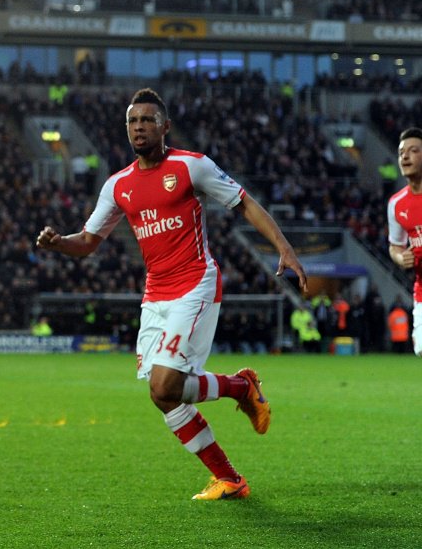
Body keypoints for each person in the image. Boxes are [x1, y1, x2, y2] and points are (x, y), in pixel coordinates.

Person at [36, 88, 307, 501]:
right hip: (155, 296)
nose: (139, 127)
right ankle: (232, 453)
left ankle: (238, 406)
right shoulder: (117, 185)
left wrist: (283, 247)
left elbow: (244, 204)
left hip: (195, 284)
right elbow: (88, 240)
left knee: (166, 385)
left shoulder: (191, 167)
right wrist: (59, 243)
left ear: (165, 127)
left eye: (148, 120)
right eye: (133, 121)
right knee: (162, 394)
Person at [386, 127, 422, 357]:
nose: (405, 157)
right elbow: (395, 245)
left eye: (414, 151)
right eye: (401, 153)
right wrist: (400, 257)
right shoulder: (396, 204)